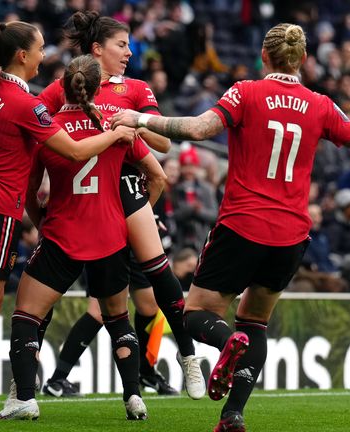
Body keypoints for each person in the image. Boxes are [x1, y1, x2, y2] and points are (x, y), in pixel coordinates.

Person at [111, 23, 350, 431]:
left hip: (242, 224)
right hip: (291, 235)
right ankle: (233, 416)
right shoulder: (320, 104)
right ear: (303, 60)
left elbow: (198, 130)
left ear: (264, 55)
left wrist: (140, 118)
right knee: (255, 322)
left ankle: (226, 345)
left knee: (196, 313)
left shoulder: (246, 92)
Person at [0, 21, 134, 419]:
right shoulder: (26, 104)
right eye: (39, 50)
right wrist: (116, 134)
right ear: (22, 55)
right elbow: (72, 151)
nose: (44, 57)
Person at [38, 11, 204, 399]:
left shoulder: (135, 89)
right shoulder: (64, 87)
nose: (129, 52)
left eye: (129, 45)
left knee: (159, 274)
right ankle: (39, 381)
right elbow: (35, 121)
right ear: (97, 49)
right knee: (95, 303)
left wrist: (134, 120)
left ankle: (188, 357)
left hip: (124, 186)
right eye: (121, 45)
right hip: (80, 200)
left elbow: (163, 145)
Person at [0, 54, 148, 421]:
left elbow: (31, 190)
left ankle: (24, 399)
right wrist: (131, 218)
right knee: (117, 319)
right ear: (97, 87)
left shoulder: (48, 128)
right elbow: (156, 174)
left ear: (62, 86)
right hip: (110, 235)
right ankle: (134, 398)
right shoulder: (116, 126)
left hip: (63, 234)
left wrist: (41, 221)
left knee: (27, 315)